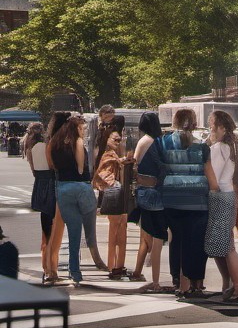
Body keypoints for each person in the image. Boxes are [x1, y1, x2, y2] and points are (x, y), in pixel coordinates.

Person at [161, 108, 211, 298]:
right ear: (194, 123)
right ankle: (193, 283)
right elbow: (210, 177)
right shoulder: (201, 147)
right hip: (197, 202)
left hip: (172, 200)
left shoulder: (164, 144)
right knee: (195, 242)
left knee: (177, 240)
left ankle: (178, 280)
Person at [48, 114, 96, 286]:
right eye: (82, 128)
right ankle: (84, 263)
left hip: (62, 187)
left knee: (73, 230)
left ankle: (74, 271)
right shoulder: (78, 142)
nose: (83, 132)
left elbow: (53, 166)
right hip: (80, 186)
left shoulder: (54, 143)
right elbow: (81, 167)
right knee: (87, 226)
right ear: (76, 128)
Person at [205, 111, 238, 300]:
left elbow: (213, 174)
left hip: (220, 196)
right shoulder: (234, 146)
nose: (210, 128)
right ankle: (233, 285)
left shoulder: (220, 147)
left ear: (221, 127)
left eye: (212, 125)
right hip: (229, 194)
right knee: (225, 244)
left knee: (227, 247)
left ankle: (237, 287)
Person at [131, 111, 170, 292]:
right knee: (158, 239)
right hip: (156, 192)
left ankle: (140, 273)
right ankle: (155, 281)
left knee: (148, 237)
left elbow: (135, 166)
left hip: (143, 192)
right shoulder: (157, 142)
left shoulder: (143, 141)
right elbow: (163, 167)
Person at [93, 120, 131, 279]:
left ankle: (117, 266)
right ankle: (113, 266)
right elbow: (103, 174)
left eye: (119, 139)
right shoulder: (108, 155)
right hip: (114, 193)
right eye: (115, 139)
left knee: (120, 229)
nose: (118, 141)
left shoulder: (111, 153)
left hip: (115, 193)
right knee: (116, 231)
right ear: (107, 140)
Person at [23, 121, 60, 284]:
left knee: (45, 228)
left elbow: (33, 171)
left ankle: (45, 267)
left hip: (39, 185)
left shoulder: (30, 149)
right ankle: (51, 268)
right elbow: (53, 166)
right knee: (53, 227)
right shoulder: (47, 146)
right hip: (50, 184)